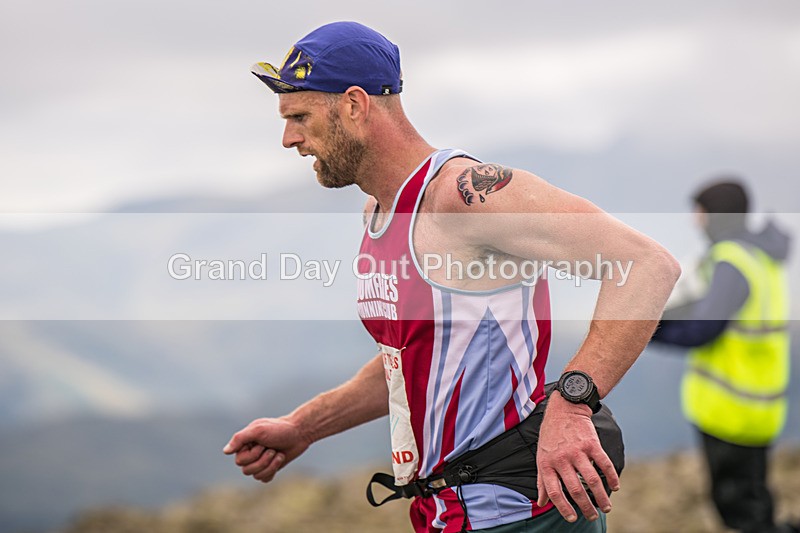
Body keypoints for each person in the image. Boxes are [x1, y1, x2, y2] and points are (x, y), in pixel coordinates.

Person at [224, 21, 680, 532]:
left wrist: (573, 405)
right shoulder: (380, 211)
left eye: (300, 116)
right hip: (446, 513)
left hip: (518, 513)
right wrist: (303, 427)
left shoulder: (464, 196)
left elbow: (647, 265)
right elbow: (418, 357)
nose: (289, 139)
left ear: (354, 104)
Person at [652, 179, 795, 533]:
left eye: (700, 212)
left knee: (741, 510)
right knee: (752, 497)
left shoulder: (732, 261)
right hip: (759, 407)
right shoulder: (759, 256)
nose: (695, 221)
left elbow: (703, 328)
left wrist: (647, 332)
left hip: (731, 411)